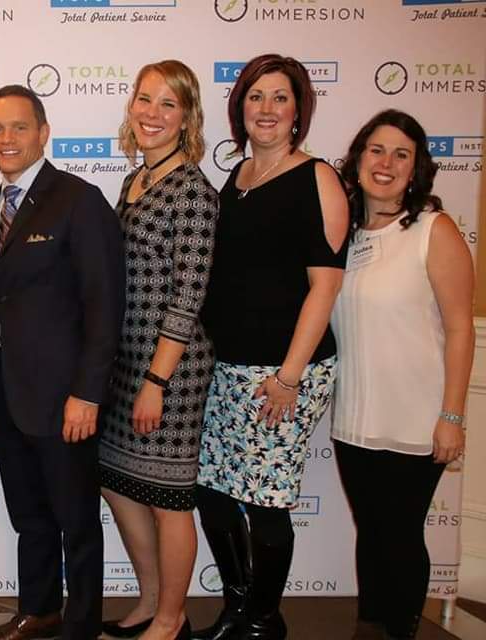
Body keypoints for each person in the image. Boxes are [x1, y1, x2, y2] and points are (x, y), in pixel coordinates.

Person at [194, 54, 349, 640]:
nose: (267, 108)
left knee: (266, 500)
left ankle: (262, 621)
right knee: (212, 491)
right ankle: (239, 606)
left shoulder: (318, 178)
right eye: (256, 96)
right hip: (228, 368)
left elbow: (324, 286)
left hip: (286, 372)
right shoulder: (236, 178)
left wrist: (288, 377)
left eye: (280, 97)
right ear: (241, 107)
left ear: (298, 109)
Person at [0, 85, 125, 640]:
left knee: (76, 521)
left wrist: (87, 393)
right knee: (29, 519)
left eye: (19, 127)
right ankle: (39, 610)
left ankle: (81, 624)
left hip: (66, 400)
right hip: (10, 397)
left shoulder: (80, 201)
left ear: (43, 132)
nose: (7, 139)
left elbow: (105, 306)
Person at [331, 109, 472, 640]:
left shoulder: (433, 231)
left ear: (416, 170)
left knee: (400, 533)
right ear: (359, 158)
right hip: (354, 417)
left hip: (417, 418)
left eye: (401, 154)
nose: (386, 163)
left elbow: (461, 329)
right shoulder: (344, 233)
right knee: (371, 531)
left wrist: (451, 416)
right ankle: (370, 626)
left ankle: (400, 630)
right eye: (376, 150)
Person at [99, 60, 218, 640]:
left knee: (170, 500)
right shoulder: (136, 180)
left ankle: (171, 620)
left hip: (171, 369)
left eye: (167, 104)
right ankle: (150, 600)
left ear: (187, 117)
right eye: (144, 100)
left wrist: (156, 382)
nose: (152, 113)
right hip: (126, 360)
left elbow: (185, 298)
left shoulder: (192, 191)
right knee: (119, 482)